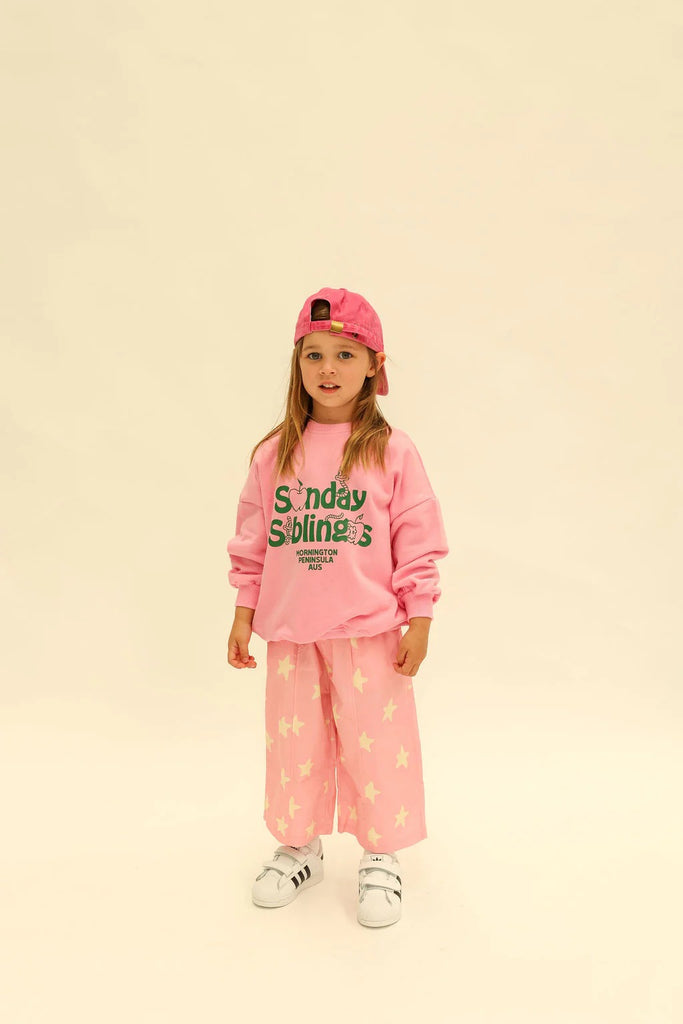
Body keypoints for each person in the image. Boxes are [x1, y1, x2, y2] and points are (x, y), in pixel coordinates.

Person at [226, 286, 448, 928]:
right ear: (298, 362)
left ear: (375, 364)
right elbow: (253, 541)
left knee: (376, 744)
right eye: (314, 354)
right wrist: (243, 612)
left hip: (369, 631)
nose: (328, 369)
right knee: (295, 746)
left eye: (346, 355)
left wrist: (420, 617)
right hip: (291, 634)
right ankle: (300, 847)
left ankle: (380, 854)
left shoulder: (391, 450)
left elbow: (416, 539)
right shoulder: (273, 455)